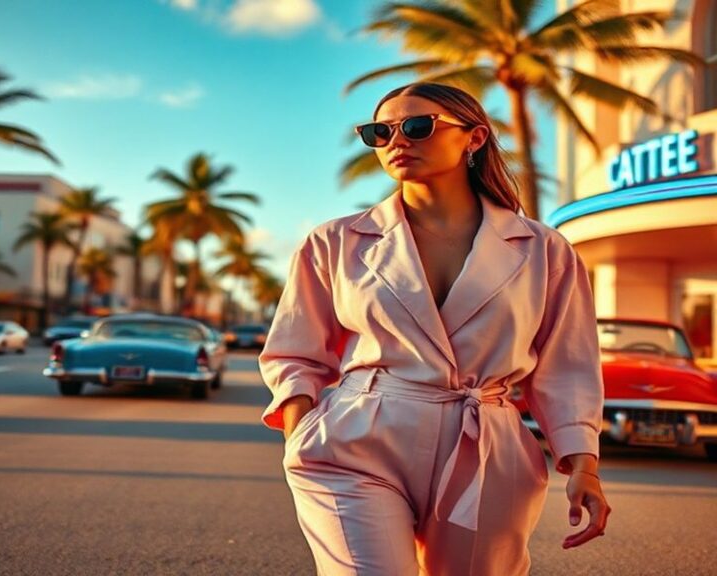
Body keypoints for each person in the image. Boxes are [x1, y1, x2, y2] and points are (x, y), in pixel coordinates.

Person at [258, 82, 611, 576]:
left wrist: (583, 464)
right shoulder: (335, 242)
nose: (397, 140)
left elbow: (567, 366)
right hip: (357, 439)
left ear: (474, 138)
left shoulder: (544, 251)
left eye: (418, 126)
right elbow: (295, 354)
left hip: (488, 446)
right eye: (379, 132)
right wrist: (301, 433)